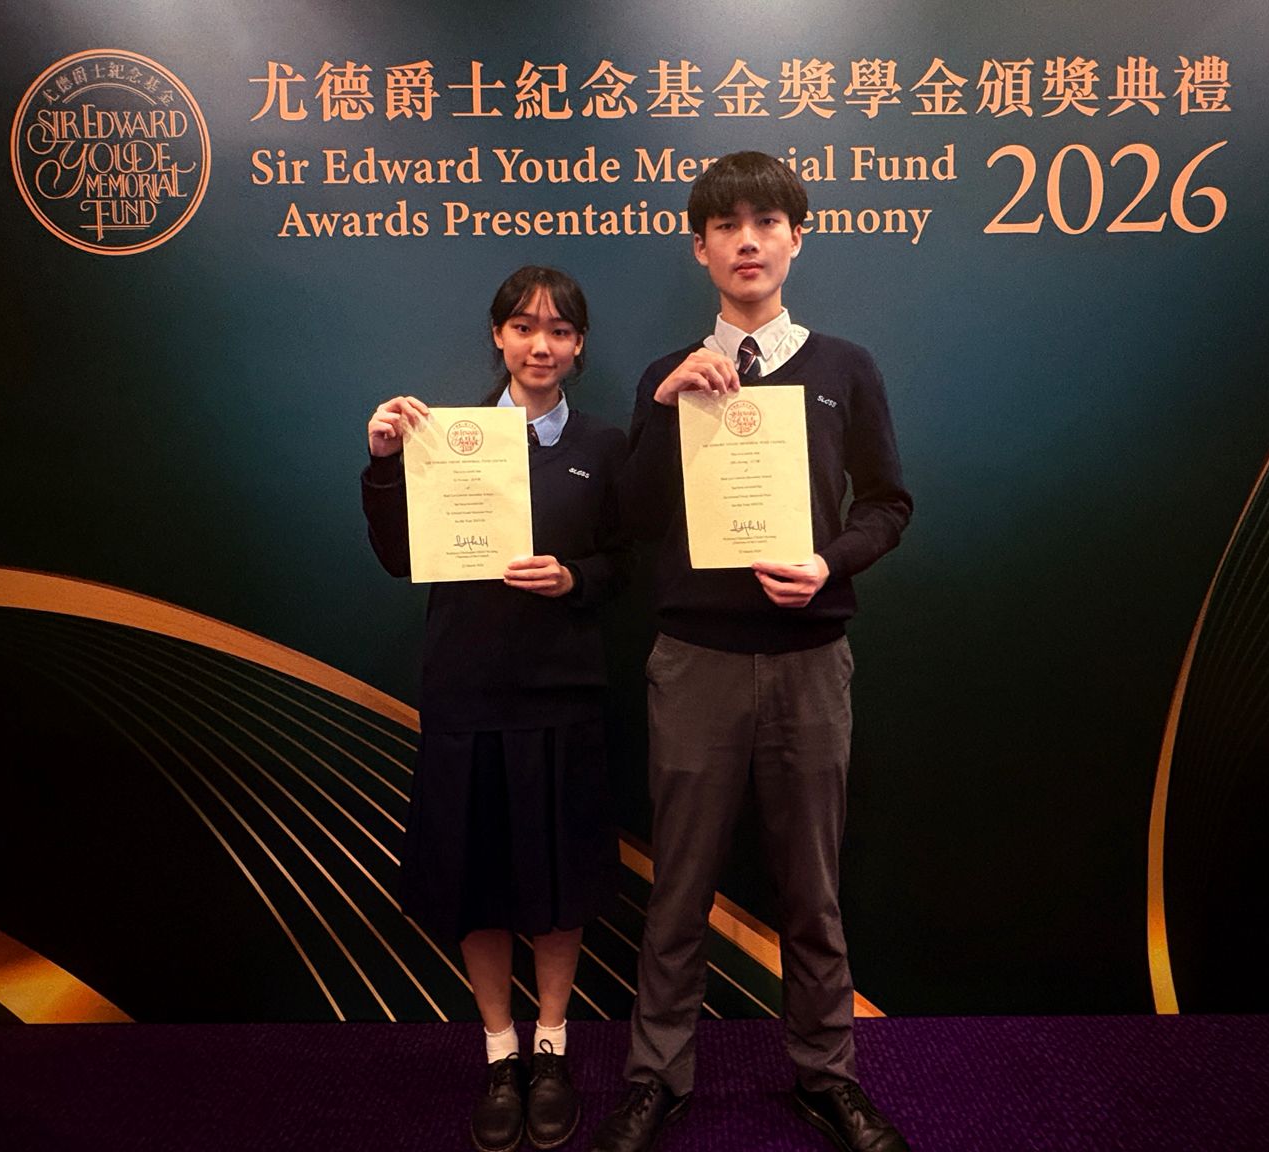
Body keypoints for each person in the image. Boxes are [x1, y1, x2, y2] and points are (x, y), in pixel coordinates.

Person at [591, 152, 913, 1152]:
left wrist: (827, 561)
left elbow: (888, 504)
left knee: (811, 889)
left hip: (811, 660)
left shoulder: (844, 367)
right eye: (725, 225)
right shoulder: (667, 374)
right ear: (699, 249)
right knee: (678, 887)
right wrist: (663, 409)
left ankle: (827, 1076)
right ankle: (656, 1079)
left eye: (766, 222)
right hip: (695, 658)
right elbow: (632, 517)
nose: (747, 240)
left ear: (795, 239)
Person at [361, 265, 628, 1152]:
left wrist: (574, 576)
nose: (540, 345)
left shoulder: (604, 444)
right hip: (466, 691)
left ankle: (552, 1047)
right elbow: (400, 557)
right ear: (497, 336)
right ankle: (500, 1052)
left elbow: (628, 565)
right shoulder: (447, 437)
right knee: (476, 879)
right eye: (523, 327)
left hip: (561, 693)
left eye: (559, 330)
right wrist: (386, 463)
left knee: (557, 881)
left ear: (579, 346)